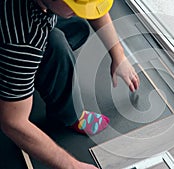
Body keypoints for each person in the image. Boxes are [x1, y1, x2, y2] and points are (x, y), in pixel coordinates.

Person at [0, 0, 140, 168]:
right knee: (57, 45)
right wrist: (73, 166)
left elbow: (92, 9)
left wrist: (118, 54)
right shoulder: (23, 39)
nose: (83, 11)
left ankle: (27, 72)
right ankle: (70, 115)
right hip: (13, 38)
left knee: (78, 27)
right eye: (75, 5)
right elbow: (13, 123)